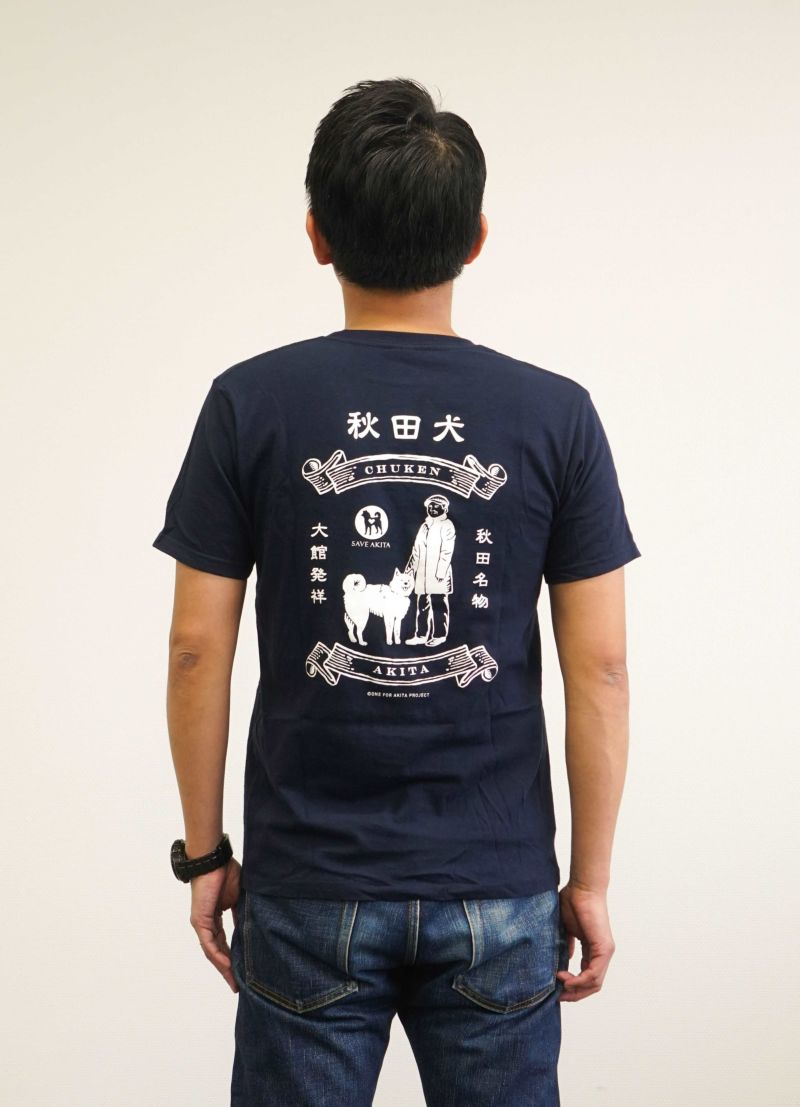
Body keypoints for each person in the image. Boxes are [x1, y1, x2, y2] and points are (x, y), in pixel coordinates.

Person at [153, 76, 642, 1107]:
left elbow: (196, 647)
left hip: (307, 885)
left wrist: (204, 856)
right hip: (497, 885)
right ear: (475, 239)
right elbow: (600, 667)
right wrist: (588, 881)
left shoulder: (250, 402)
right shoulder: (555, 415)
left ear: (316, 234)